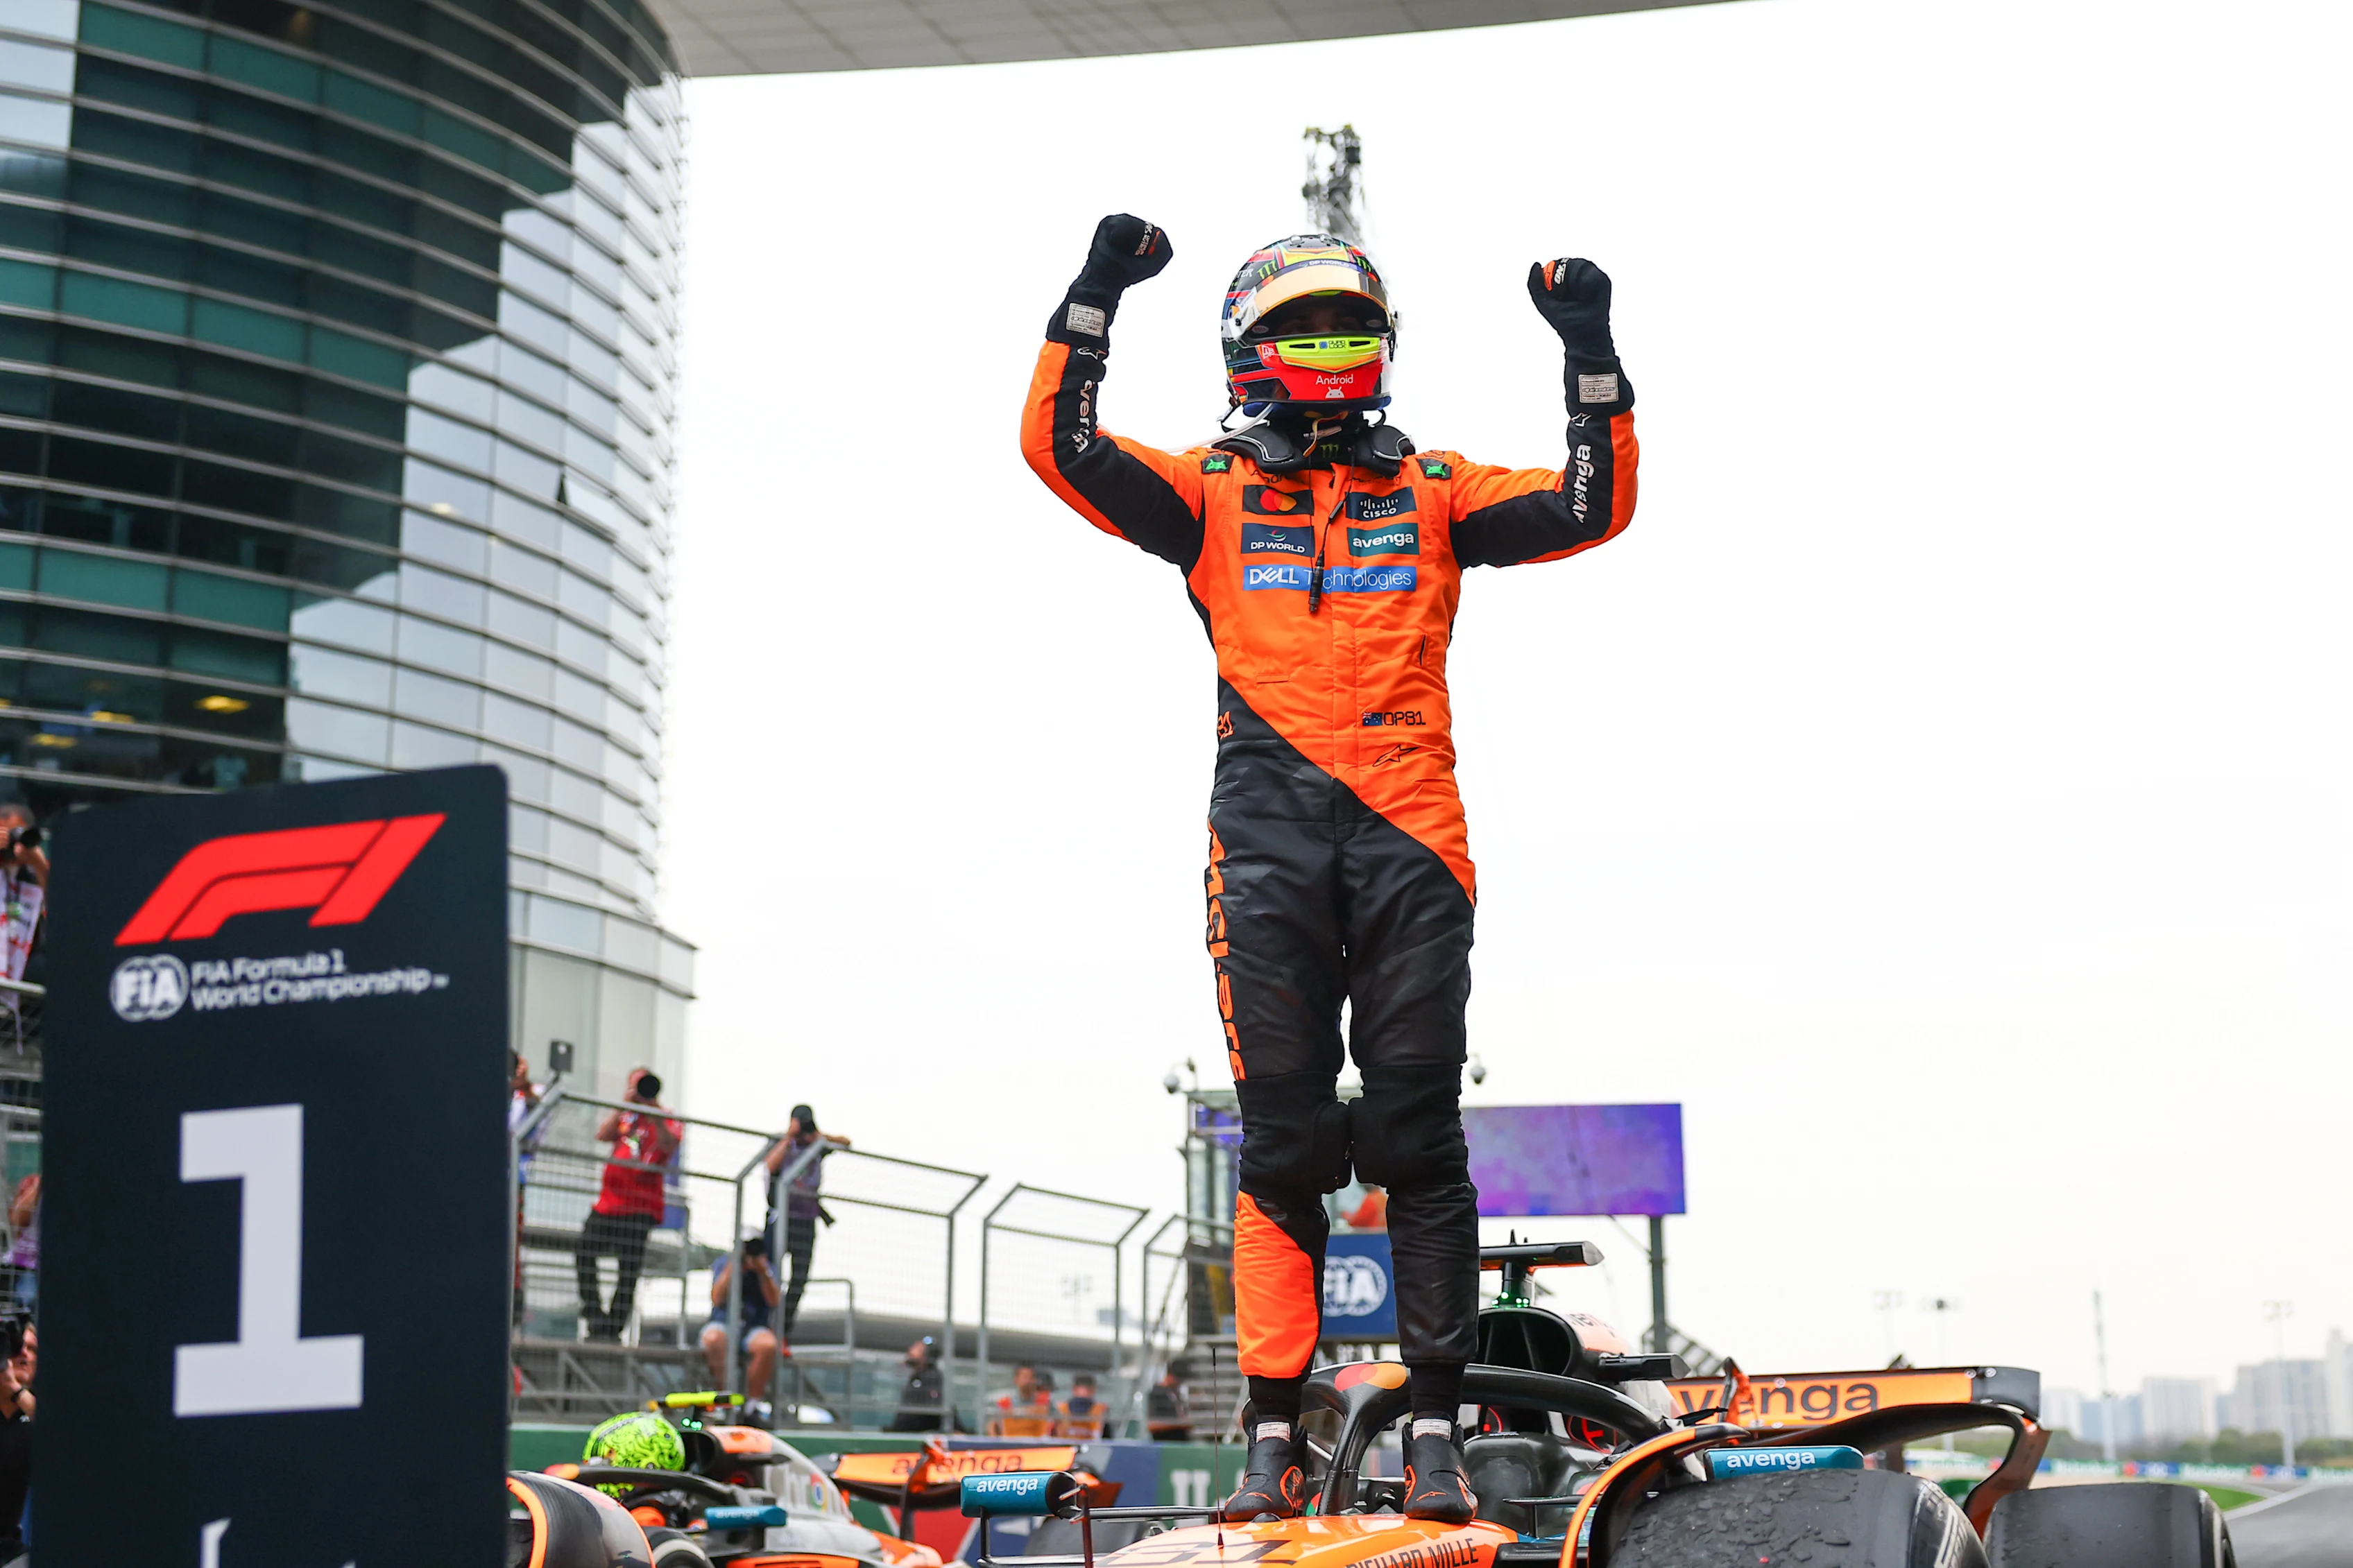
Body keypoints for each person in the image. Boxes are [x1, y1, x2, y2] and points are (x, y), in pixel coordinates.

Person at [1022, 219, 1638, 1523]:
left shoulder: (1435, 487)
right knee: (1285, 1143)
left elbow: (1593, 507)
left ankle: (1437, 1434)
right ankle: (1271, 1440)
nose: (1328, 349)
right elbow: (1061, 448)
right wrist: (1093, 298)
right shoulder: (1205, 490)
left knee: (1418, 1135)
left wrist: (1589, 354)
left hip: (1413, 833)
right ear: (1250, 346)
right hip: (1266, 837)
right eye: (1304, 329)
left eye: (1348, 327)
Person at [574, 1067, 680, 1342]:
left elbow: (668, 1144)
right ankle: (594, 1314)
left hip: (641, 1206)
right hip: (609, 1203)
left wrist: (653, 1113)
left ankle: (613, 1328)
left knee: (628, 1268)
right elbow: (603, 1134)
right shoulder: (627, 1115)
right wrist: (625, 1105)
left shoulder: (666, 1117)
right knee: (584, 1249)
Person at [761, 1105, 845, 1338]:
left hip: (806, 1221)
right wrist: (790, 1137)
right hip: (781, 1218)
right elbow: (769, 1166)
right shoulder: (780, 1141)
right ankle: (763, 1323)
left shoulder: (817, 1146)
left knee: (799, 1279)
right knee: (770, 1273)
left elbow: (846, 1143)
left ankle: (782, 1330)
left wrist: (819, 1137)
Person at [700, 1236, 781, 1397]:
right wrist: (734, 1267)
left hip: (754, 1326)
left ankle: (751, 1404)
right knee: (713, 1339)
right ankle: (724, 1397)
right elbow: (716, 1298)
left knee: (768, 1345)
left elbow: (774, 1301)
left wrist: (762, 1272)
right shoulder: (724, 1263)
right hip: (723, 1323)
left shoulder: (768, 1267)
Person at [887, 1338, 946, 1432]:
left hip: (918, 1435)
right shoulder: (917, 1377)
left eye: (917, 1349)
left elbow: (934, 1410)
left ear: (926, 1357)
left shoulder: (931, 1378)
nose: (910, 1351)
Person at [1145, 1367, 1192, 1442]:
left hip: (1178, 1435)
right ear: (1171, 1376)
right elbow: (1155, 1420)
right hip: (1165, 1435)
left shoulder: (1176, 1394)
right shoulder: (1157, 1393)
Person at [1058, 1373, 1107, 1440]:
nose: (1084, 1394)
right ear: (1074, 1390)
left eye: (1088, 1390)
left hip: (1089, 1445)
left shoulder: (1099, 1409)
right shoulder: (1063, 1408)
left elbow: (1097, 1437)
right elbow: (1059, 1436)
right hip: (1066, 1445)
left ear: (1093, 1391)